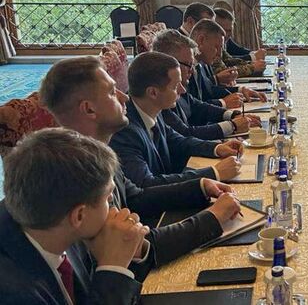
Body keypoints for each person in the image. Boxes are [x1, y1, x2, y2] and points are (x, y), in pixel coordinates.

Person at [38, 56, 241, 275]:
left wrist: (201, 186)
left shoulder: (97, 152)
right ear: (89, 110)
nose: (124, 96)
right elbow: (134, 245)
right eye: (112, 92)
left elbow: (137, 196)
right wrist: (213, 218)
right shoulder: (76, 178)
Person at [0, 128, 146, 304]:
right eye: (108, 197)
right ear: (79, 215)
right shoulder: (16, 294)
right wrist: (113, 268)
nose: (113, 204)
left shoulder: (53, 220)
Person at [109, 52, 245, 188]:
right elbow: (147, 183)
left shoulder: (152, 109)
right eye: (175, 86)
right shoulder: (125, 131)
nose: (183, 90)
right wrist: (214, 173)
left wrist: (217, 148)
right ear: (153, 93)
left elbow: (178, 141)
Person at [152, 29, 262, 140]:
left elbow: (197, 106)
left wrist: (233, 115)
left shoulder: (179, 86)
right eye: (188, 65)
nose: (192, 70)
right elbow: (185, 135)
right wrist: (232, 125)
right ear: (169, 63)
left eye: (192, 65)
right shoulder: (159, 94)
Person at [187, 19, 267, 108]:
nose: (219, 54)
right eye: (216, 47)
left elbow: (209, 90)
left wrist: (240, 90)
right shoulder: (185, 66)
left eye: (221, 48)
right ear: (201, 40)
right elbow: (191, 108)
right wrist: (223, 103)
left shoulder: (200, 62)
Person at [212, 7, 266, 77]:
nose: (225, 34)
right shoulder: (210, 46)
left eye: (229, 31)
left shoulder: (220, 44)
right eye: (223, 30)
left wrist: (252, 63)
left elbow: (229, 60)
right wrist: (252, 67)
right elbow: (222, 71)